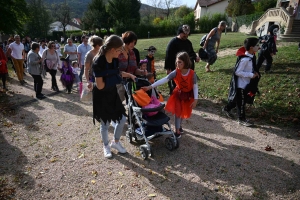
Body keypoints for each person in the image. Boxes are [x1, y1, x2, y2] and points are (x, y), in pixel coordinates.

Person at [92, 35, 136, 158]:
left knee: (122, 118)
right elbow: (100, 86)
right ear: (112, 50)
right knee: (105, 123)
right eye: (119, 50)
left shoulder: (115, 59)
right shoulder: (98, 62)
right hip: (101, 96)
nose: (120, 53)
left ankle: (115, 142)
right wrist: (115, 78)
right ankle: (106, 146)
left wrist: (129, 75)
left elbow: (117, 73)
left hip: (112, 93)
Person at [143, 51, 198, 138]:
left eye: (180, 62)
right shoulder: (176, 72)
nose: (177, 64)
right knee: (178, 113)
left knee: (183, 112)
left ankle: (179, 127)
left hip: (187, 96)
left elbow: (195, 87)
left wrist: (195, 99)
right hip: (178, 95)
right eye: (177, 62)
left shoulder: (192, 74)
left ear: (185, 62)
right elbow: (165, 79)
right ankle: (177, 132)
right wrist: (150, 87)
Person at [222, 37, 260, 127]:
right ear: (251, 47)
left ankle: (226, 109)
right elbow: (237, 72)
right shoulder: (245, 59)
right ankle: (241, 119)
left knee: (238, 100)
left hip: (247, 84)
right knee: (241, 102)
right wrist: (251, 75)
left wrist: (255, 73)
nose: (259, 46)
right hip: (241, 85)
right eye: (257, 45)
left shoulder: (252, 56)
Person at [164, 24, 200, 95]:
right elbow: (168, 55)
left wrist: (196, 57)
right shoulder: (173, 42)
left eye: (187, 35)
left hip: (187, 68)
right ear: (180, 32)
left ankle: (187, 95)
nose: (186, 36)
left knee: (187, 83)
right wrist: (168, 68)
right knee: (177, 84)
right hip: (177, 67)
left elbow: (191, 52)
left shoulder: (188, 42)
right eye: (184, 34)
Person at [117, 31, 146, 102]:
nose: (133, 44)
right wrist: (129, 75)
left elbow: (134, 69)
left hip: (130, 84)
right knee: (117, 104)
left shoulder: (132, 53)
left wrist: (142, 72)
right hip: (118, 83)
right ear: (126, 40)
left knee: (132, 103)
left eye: (134, 42)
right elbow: (115, 71)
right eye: (131, 42)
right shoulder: (118, 53)